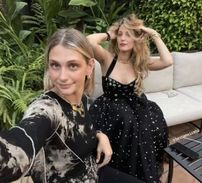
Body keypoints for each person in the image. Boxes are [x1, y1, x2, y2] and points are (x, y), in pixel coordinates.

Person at [0, 28, 113, 183]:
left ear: (90, 66)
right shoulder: (47, 109)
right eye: (55, 65)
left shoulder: (85, 101)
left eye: (72, 65)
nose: (62, 77)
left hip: (95, 174)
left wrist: (100, 135)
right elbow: (19, 146)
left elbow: (81, 127)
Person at [87, 14, 173, 183]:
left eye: (128, 34)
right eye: (120, 34)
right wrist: (110, 34)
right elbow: (89, 41)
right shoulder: (107, 59)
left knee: (146, 126)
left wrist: (153, 34)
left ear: (136, 39)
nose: (123, 38)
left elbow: (167, 61)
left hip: (136, 107)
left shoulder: (138, 62)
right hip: (110, 110)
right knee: (126, 122)